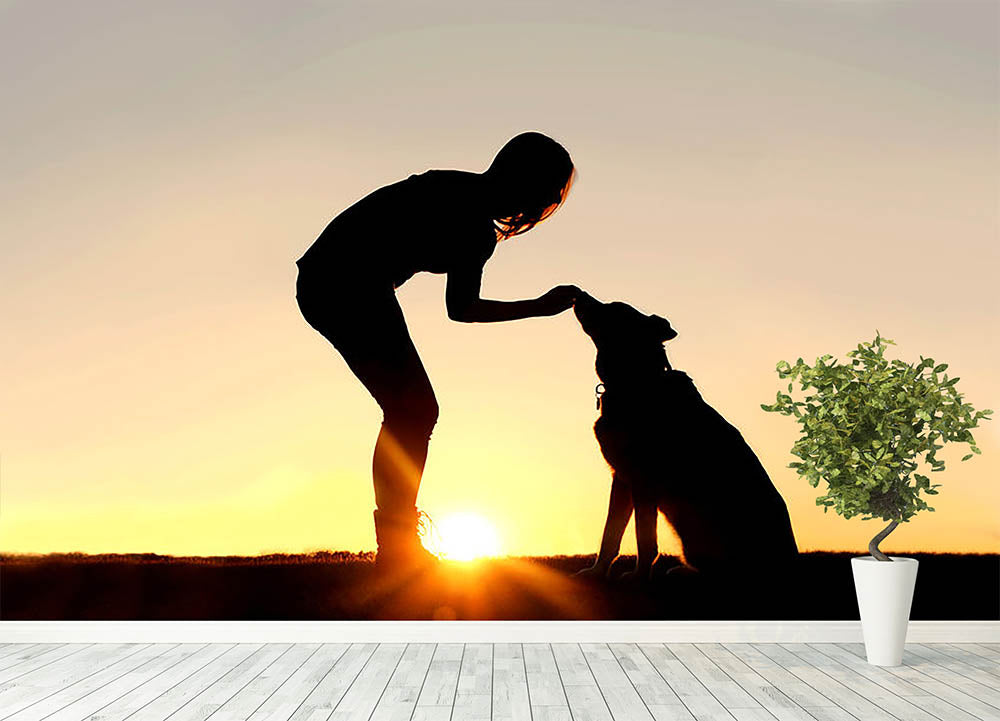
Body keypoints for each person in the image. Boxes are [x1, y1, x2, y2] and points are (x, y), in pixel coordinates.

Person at [295, 132, 579, 569]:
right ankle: (397, 546)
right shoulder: (473, 224)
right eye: (547, 194)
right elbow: (462, 309)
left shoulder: (454, 188)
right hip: (346, 282)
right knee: (414, 410)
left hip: (331, 278)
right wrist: (539, 307)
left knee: (412, 410)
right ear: (532, 187)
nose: (542, 206)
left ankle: (397, 541)